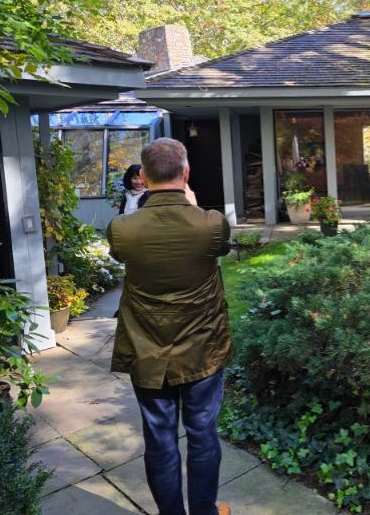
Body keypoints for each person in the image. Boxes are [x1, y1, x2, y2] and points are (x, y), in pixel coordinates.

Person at [107, 139, 232, 515]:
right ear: (186, 173)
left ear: (142, 177)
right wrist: (193, 208)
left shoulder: (122, 229)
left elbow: (121, 254)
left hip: (147, 350)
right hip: (203, 350)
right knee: (202, 435)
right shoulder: (211, 224)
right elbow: (219, 246)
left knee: (159, 440)